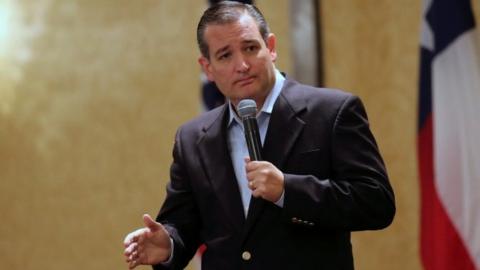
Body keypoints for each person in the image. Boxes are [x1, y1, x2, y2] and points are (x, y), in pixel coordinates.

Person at [123, 1, 395, 269]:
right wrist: (169, 245)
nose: (242, 65)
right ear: (207, 67)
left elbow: (376, 202)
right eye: (225, 55)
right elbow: (184, 225)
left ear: (271, 47)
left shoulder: (331, 112)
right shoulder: (192, 138)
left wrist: (288, 190)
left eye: (250, 48)